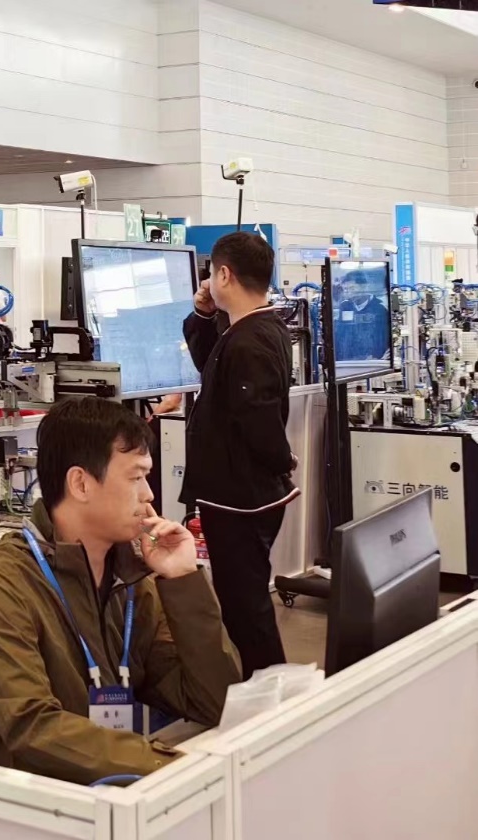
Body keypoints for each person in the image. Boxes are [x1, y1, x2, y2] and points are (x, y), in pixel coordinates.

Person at [0, 398, 241, 786]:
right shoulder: (3, 585)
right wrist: (167, 767)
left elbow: (216, 701)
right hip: (16, 800)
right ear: (81, 484)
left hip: (101, 791)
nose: (149, 495)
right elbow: (34, 728)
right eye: (135, 478)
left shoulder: (132, 578)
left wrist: (183, 579)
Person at [181, 232, 299, 678]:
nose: (209, 282)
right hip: (240, 493)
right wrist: (203, 314)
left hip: (240, 498)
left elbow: (258, 420)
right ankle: (263, 685)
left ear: (225, 275)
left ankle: (270, 692)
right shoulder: (253, 330)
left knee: (246, 609)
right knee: (241, 603)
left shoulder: (250, 341)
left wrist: (282, 461)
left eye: (212, 274)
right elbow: (211, 365)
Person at [334, 269, 391, 363]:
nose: (348, 293)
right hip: (348, 362)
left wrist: (379, 358)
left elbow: (384, 338)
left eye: (352, 288)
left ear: (364, 287)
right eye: (345, 289)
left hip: (374, 362)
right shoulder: (345, 307)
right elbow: (340, 337)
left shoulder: (379, 309)